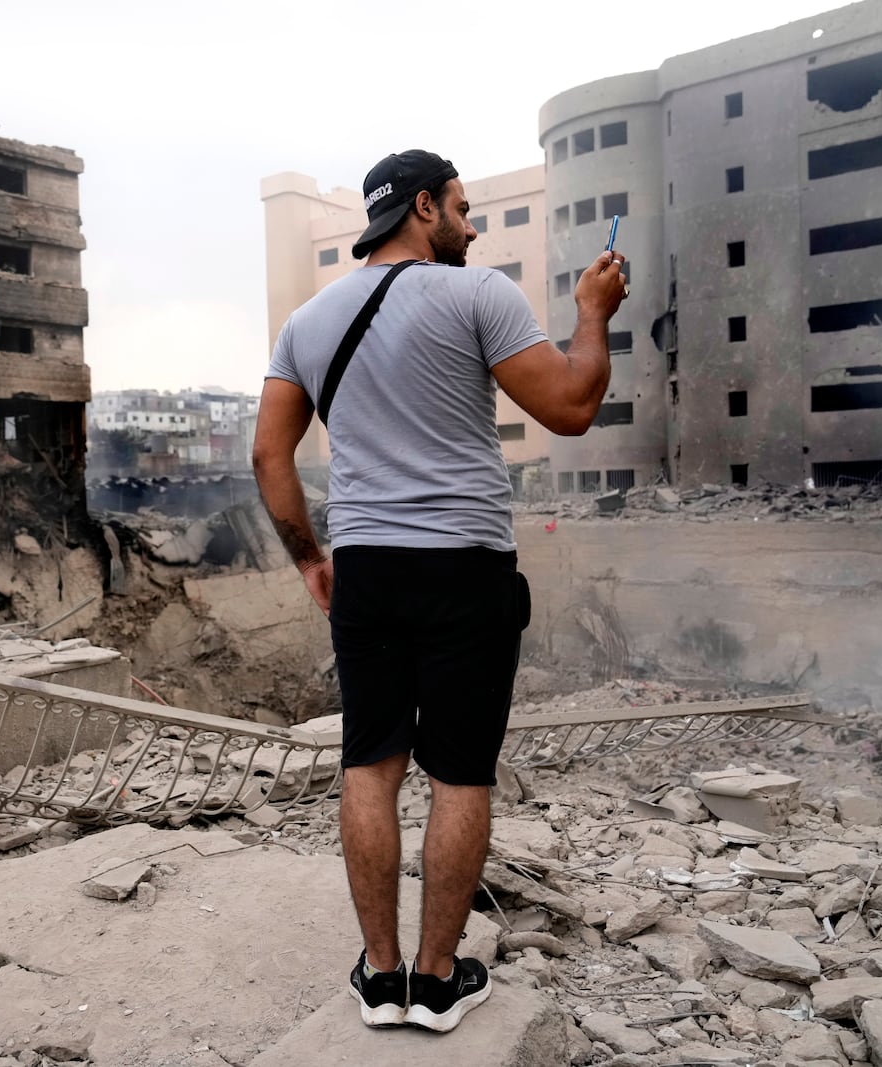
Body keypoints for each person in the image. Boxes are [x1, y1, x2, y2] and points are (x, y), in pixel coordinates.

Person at [252, 149, 625, 1032]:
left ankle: (380, 981)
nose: (473, 223)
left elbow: (271, 454)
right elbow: (571, 407)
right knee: (460, 771)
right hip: (465, 565)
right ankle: (437, 978)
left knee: (369, 764)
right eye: (461, 206)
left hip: (369, 566)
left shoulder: (306, 320)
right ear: (423, 207)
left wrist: (312, 556)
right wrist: (593, 314)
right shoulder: (479, 295)